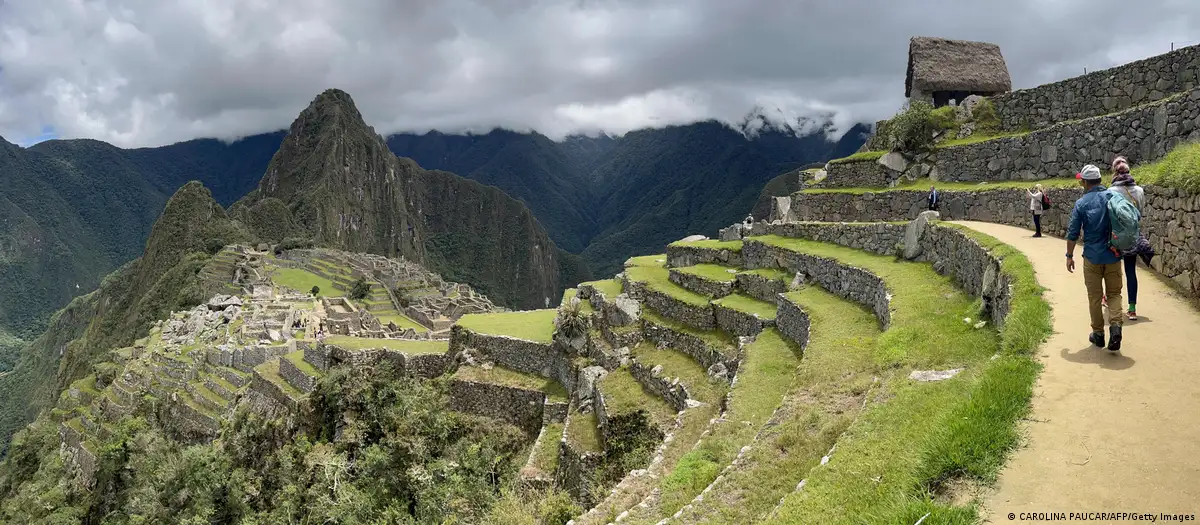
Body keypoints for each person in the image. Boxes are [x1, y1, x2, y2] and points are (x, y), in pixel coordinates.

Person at [1066, 164, 1124, 351]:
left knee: (1094, 297)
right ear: (1100, 180)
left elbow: (1073, 232)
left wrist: (1069, 255)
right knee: (1114, 293)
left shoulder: (1082, 203)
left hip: (1092, 256)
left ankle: (1098, 334)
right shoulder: (1114, 196)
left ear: (1085, 182)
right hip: (1113, 255)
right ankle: (1115, 327)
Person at [1109, 157, 1148, 321]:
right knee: (1131, 271)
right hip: (1133, 236)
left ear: (1114, 172)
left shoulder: (1110, 191)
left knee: (1111, 271)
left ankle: (1109, 300)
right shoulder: (1139, 191)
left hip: (1116, 237)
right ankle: (1132, 309)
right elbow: (1141, 212)